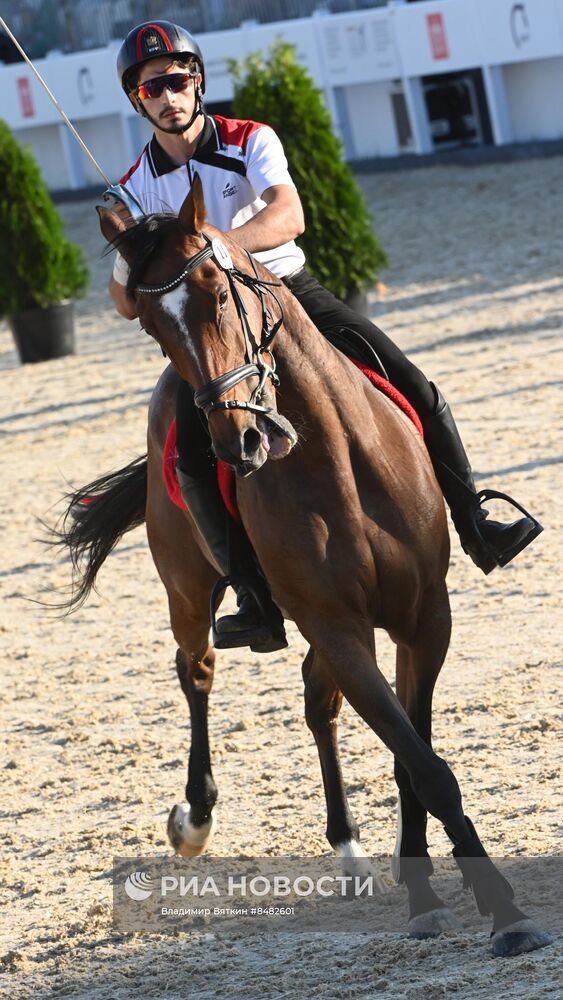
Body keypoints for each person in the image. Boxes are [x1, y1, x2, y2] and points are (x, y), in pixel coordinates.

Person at [110, 20, 542, 651]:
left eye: (177, 81)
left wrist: (218, 252)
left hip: (287, 297)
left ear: (197, 83)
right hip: (209, 332)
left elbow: (289, 215)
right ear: (137, 100)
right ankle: (254, 597)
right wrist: (126, 254)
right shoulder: (130, 186)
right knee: (189, 458)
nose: (168, 96)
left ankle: (474, 522)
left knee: (416, 385)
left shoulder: (250, 139)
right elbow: (124, 305)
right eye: (153, 89)